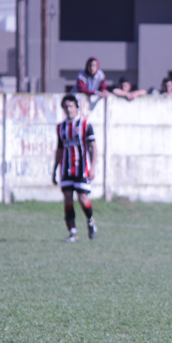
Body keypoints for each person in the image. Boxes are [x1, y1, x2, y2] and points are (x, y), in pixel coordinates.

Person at [52, 95, 98, 243]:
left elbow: (93, 147)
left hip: (81, 168)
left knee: (83, 198)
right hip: (66, 169)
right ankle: (73, 233)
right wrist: (54, 169)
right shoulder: (61, 127)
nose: (69, 109)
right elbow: (59, 149)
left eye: (71, 106)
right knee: (67, 199)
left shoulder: (85, 125)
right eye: (66, 107)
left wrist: (93, 167)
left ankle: (90, 221)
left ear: (77, 108)